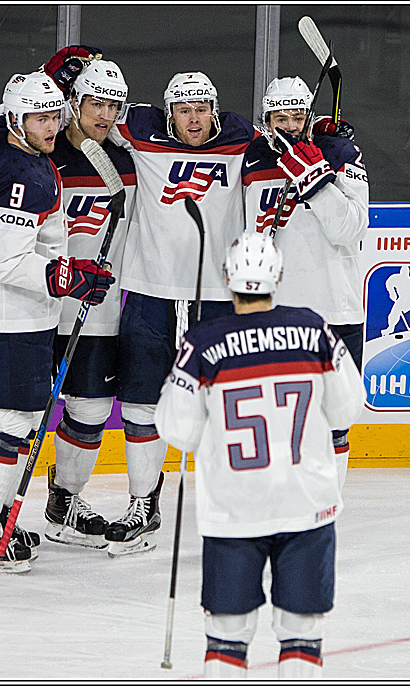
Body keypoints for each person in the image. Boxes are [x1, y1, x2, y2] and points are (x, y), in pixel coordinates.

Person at [154, 233, 365, 679]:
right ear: (279, 278)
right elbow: (348, 407)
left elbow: (178, 431)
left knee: (227, 638)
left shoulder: (203, 343)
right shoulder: (314, 330)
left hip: (234, 512)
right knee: (302, 635)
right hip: (307, 507)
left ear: (228, 278)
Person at [0, 71, 114, 573]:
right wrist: (72, 277)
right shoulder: (24, 175)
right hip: (12, 310)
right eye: (39, 118)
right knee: (12, 419)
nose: (51, 127)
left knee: (16, 417)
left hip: (15, 308)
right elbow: (9, 263)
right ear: (18, 120)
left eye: (54, 116)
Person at [103, 71, 260, 555]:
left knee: (225, 406)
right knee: (140, 404)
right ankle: (142, 504)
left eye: (202, 108)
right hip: (149, 292)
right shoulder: (141, 131)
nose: (195, 118)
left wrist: (327, 137)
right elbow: (86, 117)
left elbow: (289, 134)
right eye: (184, 109)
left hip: (214, 297)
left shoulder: (243, 142)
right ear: (169, 112)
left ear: (215, 109)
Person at [242, 76, 368, 489]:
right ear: (266, 119)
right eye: (282, 118)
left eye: (299, 116)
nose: (291, 126)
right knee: (277, 417)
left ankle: (325, 508)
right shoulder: (251, 159)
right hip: (275, 313)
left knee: (333, 420)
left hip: (335, 308)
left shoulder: (340, 152)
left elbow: (350, 228)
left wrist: (316, 182)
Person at [39, 55, 140, 550]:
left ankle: (65, 499)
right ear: (73, 102)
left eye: (114, 106)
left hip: (96, 309)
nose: (105, 114)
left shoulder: (128, 159)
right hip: (35, 304)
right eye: (95, 103)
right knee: (20, 413)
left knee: (93, 407)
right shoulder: (42, 149)